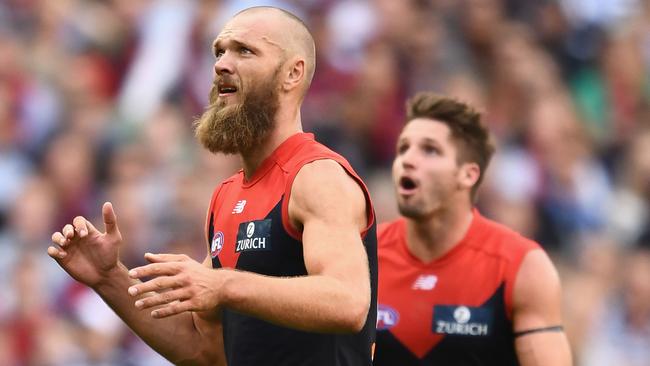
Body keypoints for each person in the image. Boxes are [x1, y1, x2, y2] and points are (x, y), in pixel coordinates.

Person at [48, 6, 377, 366]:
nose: (221, 63)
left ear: (292, 73)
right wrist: (109, 278)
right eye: (219, 51)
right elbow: (205, 351)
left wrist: (222, 285)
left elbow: (348, 301)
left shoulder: (316, 175)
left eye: (244, 50)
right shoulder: (227, 196)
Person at [373, 92, 571, 365]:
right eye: (403, 148)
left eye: (430, 149)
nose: (408, 159)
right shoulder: (363, 256)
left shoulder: (520, 266)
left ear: (468, 174)